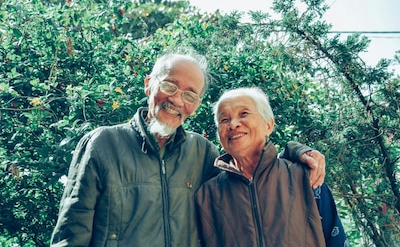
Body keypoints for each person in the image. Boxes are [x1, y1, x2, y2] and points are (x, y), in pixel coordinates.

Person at [50, 50, 326, 246]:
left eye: (190, 94)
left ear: (196, 104)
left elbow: (253, 171)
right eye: (169, 85)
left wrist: (295, 152)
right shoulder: (102, 144)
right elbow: (70, 235)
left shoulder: (203, 152)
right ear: (149, 85)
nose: (177, 100)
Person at [195, 87, 348, 247]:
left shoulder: (305, 177)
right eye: (224, 120)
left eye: (244, 114)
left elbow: (335, 238)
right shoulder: (207, 195)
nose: (233, 124)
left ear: (268, 125)